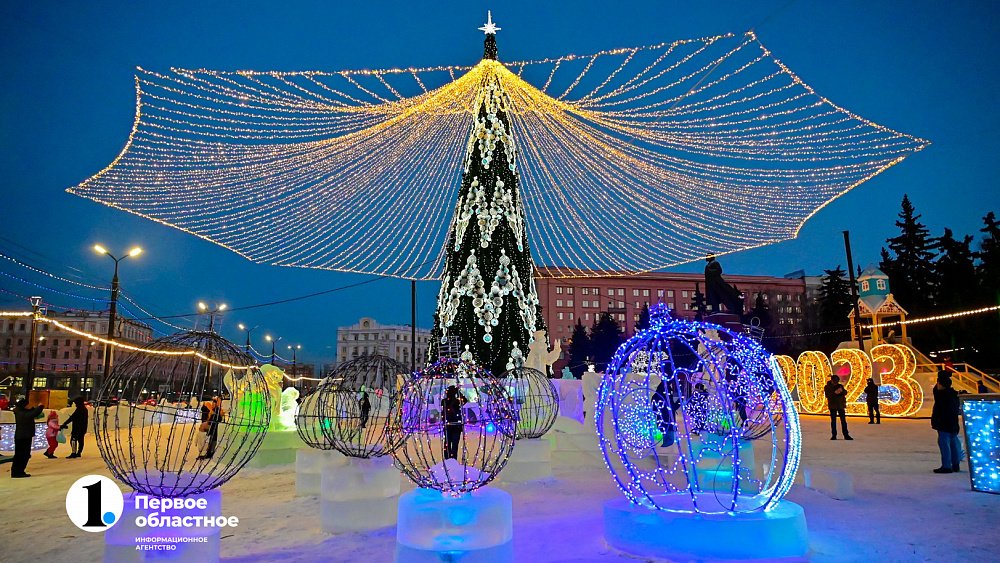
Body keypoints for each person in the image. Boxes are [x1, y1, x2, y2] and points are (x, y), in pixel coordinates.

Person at [931, 372, 962, 473]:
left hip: (943, 423)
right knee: (953, 444)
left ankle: (946, 466)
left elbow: (935, 390)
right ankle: (955, 464)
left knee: (945, 445)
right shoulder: (953, 394)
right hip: (953, 423)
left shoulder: (941, 395)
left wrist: (941, 377)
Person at [11, 398, 44, 478]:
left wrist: (35, 408)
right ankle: (17, 472)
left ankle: (19, 471)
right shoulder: (21, 413)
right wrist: (40, 407)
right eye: (28, 404)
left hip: (24, 436)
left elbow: (32, 412)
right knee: (22, 455)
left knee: (23, 455)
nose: (30, 406)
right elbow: (31, 414)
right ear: (24, 405)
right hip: (23, 436)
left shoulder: (21, 411)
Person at [441, 385, 467, 460]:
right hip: (451, 425)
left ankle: (452, 460)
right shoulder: (446, 401)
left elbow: (465, 400)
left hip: (454, 426)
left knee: (452, 445)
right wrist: (458, 393)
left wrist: (458, 393)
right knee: (449, 445)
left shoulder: (455, 401)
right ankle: (450, 460)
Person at [824, 374, 852, 440]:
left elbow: (845, 392)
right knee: (833, 421)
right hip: (833, 405)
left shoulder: (840, 386)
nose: (836, 382)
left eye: (837, 381)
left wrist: (842, 391)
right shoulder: (827, 387)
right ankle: (834, 435)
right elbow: (828, 395)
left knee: (843, 421)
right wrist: (835, 393)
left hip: (840, 405)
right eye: (835, 381)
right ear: (832, 380)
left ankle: (846, 434)